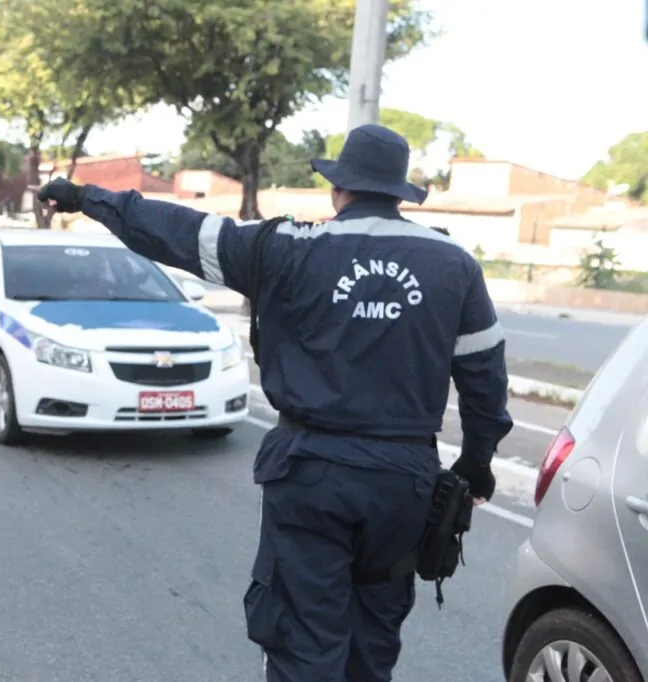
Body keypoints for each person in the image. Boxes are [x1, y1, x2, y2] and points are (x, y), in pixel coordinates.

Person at [37, 124, 513, 682]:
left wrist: (83, 197)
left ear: (340, 189)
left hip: (310, 475)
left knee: (304, 643)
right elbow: (485, 378)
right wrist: (476, 464)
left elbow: (176, 231)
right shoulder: (453, 263)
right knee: (373, 644)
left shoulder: (283, 248)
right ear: (398, 192)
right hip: (402, 484)